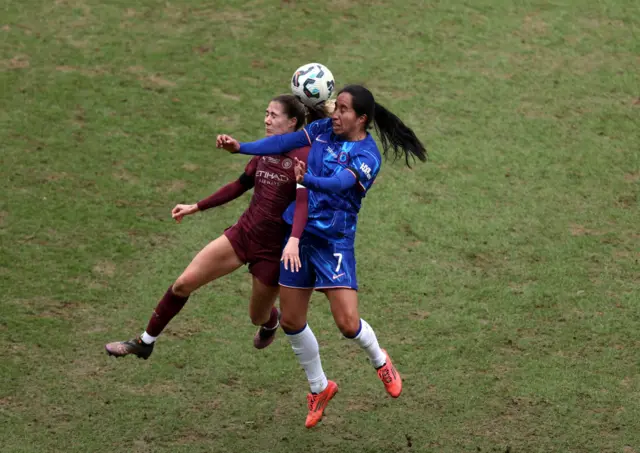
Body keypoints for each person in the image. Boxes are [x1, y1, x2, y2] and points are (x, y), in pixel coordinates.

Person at [216, 84, 427, 428]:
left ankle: (380, 360)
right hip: (297, 237)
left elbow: (340, 184)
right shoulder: (321, 130)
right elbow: (283, 143)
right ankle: (319, 387)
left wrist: (307, 179)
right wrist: (242, 148)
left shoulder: (367, 156)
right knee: (291, 321)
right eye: (335, 107)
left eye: (343, 110)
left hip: (334, 243)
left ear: (361, 119)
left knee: (346, 324)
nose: (335, 114)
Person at [105, 94, 314, 359]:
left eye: (274, 115)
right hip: (243, 234)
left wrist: (296, 241)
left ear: (292, 122)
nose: (266, 119)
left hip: (272, 253)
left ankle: (270, 322)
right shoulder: (265, 149)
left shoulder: (306, 157)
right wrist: (197, 206)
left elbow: (307, 206)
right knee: (183, 284)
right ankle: (145, 341)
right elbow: (240, 185)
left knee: (257, 316)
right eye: (266, 113)